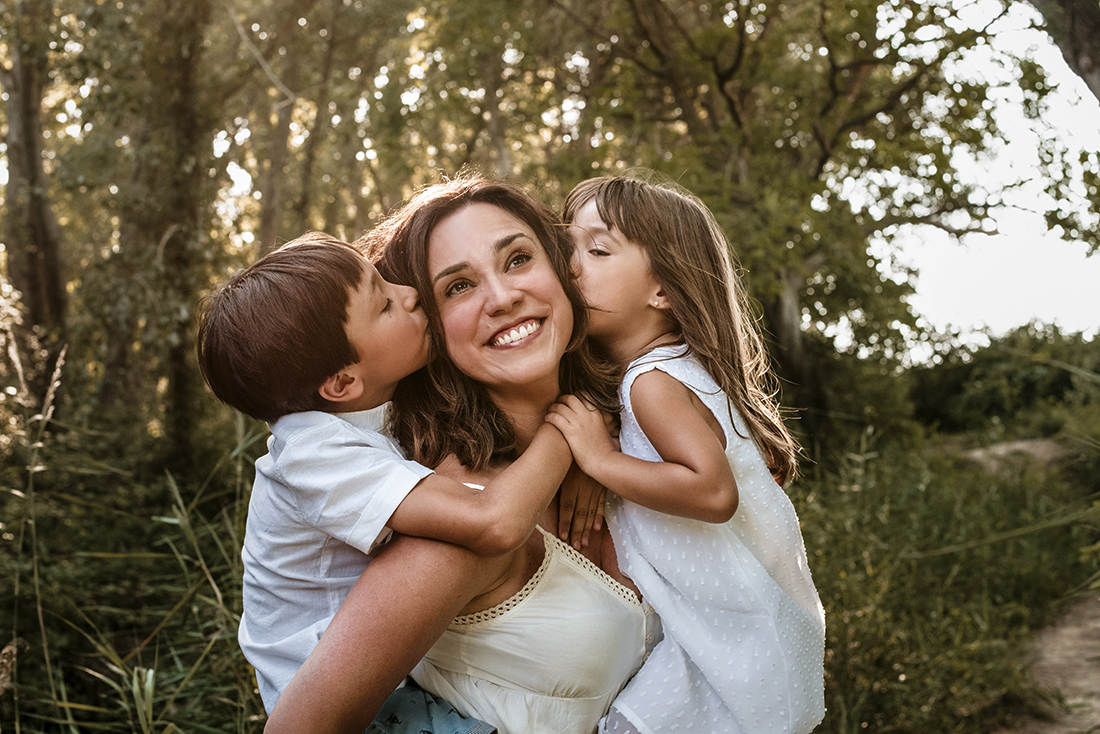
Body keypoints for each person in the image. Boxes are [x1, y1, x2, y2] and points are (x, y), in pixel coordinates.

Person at [264, 176, 655, 734]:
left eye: (518, 259)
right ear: (424, 327)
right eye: (458, 287)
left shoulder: (630, 438)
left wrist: (585, 435)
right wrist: (564, 437)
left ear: (565, 272)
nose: (502, 297)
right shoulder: (454, 523)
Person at [195, 231, 591, 732]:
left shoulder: (369, 418)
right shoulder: (313, 453)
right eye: (384, 304)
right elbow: (492, 521)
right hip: (353, 710)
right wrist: (565, 431)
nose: (408, 294)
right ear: (342, 383)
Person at [547, 173, 827, 734]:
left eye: (598, 250)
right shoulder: (676, 373)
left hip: (728, 643)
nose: (571, 265)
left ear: (664, 292)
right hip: (742, 634)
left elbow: (713, 492)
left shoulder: (651, 382)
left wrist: (600, 461)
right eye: (567, 248)